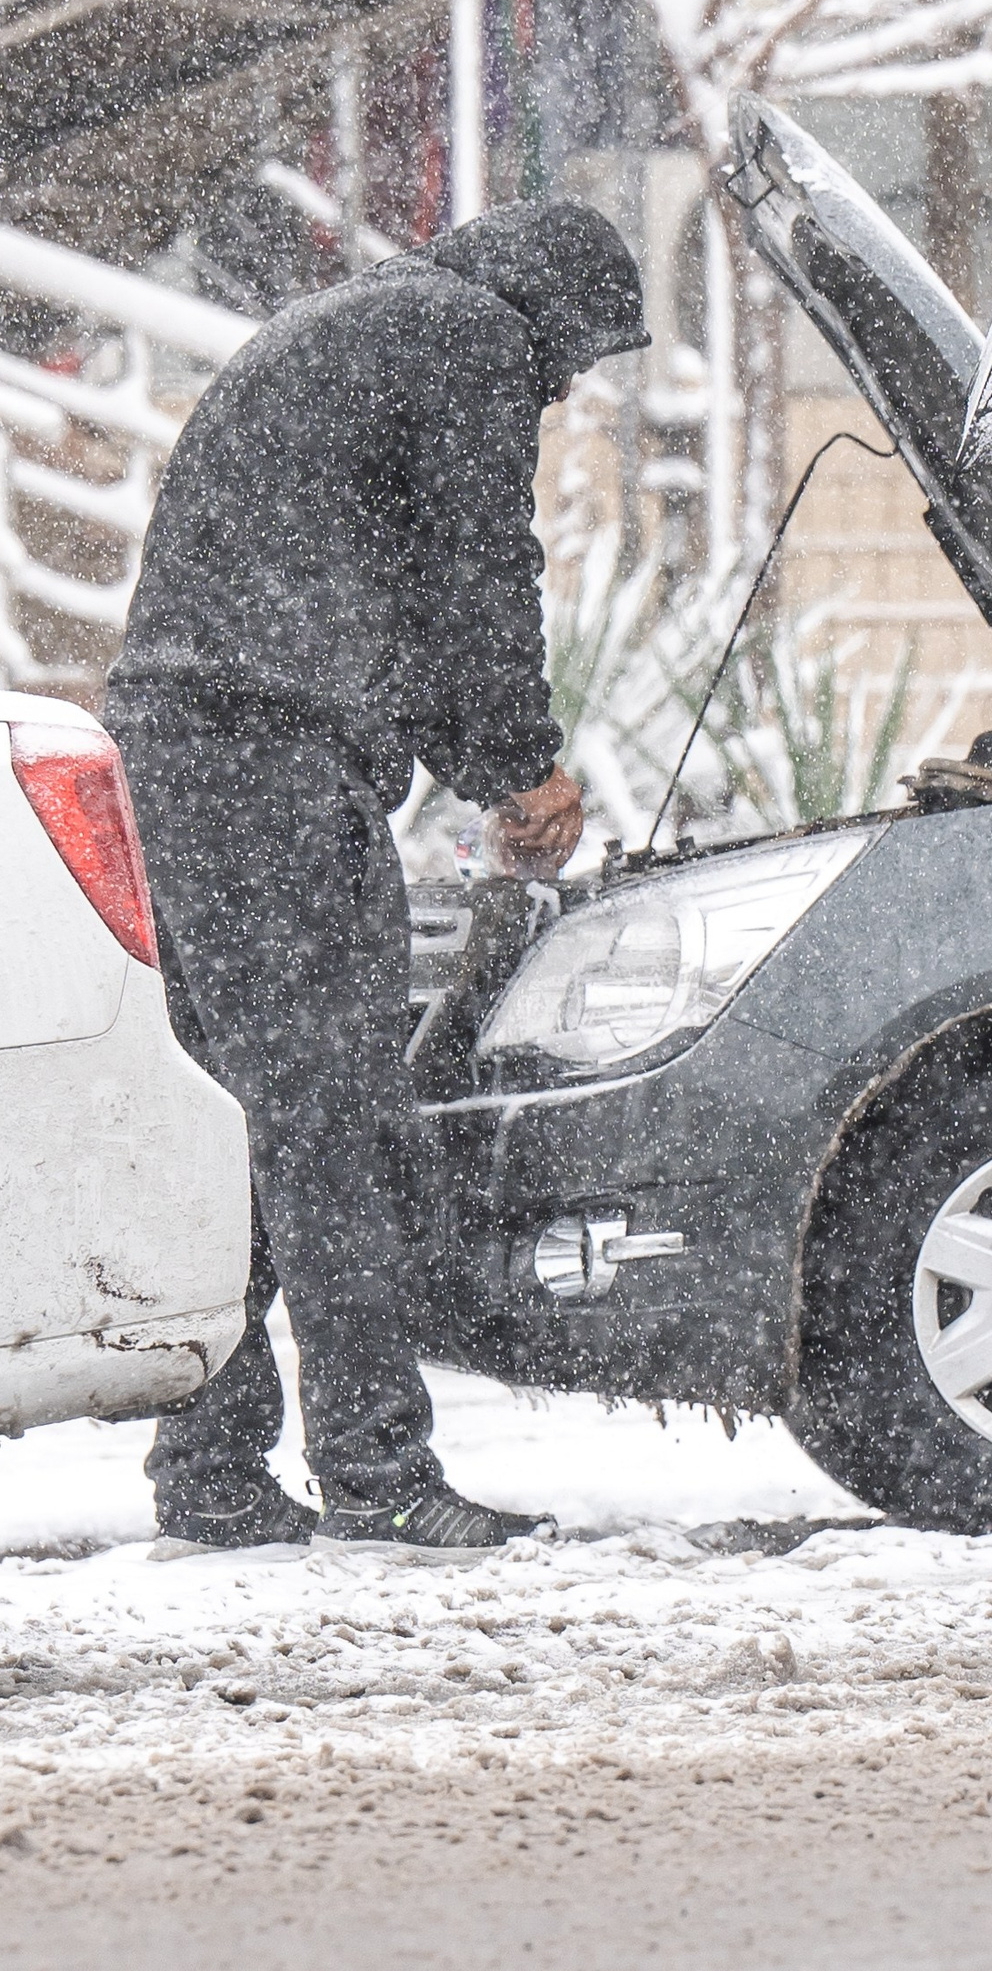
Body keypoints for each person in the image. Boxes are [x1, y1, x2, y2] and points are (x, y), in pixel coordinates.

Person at [106, 199, 649, 1555]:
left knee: (247, 1118)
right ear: (549, 313)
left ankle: (214, 1468)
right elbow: (478, 580)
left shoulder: (360, 326)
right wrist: (524, 769)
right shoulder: (468, 337)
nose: (567, 387)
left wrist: (480, 763)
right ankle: (377, 1471)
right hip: (266, 758)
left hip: (182, 754)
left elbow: (398, 589)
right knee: (338, 1119)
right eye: (576, 358)